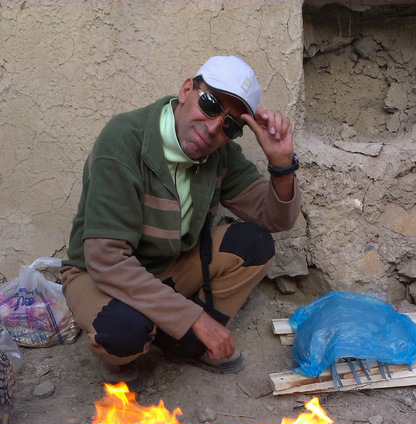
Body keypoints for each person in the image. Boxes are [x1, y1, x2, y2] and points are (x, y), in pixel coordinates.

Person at [62, 54, 301, 390]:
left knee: (255, 244)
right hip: (99, 275)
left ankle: (179, 340)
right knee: (124, 330)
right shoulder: (125, 139)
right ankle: (136, 348)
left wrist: (282, 164)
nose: (215, 126)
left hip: (167, 268)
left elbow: (275, 218)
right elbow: (107, 261)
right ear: (188, 89)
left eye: (231, 125)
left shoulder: (220, 154)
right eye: (211, 104)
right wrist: (195, 318)